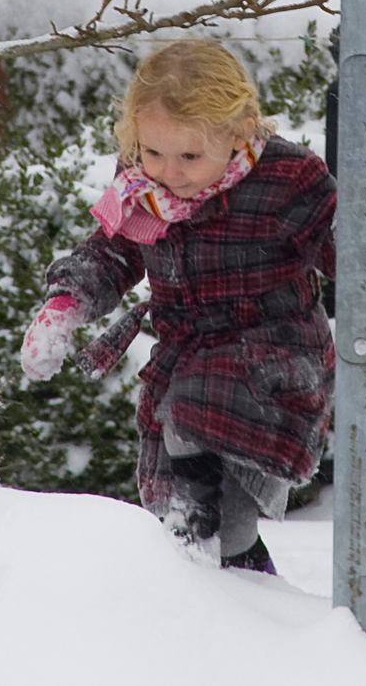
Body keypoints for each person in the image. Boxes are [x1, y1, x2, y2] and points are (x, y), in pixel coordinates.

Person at [21, 40, 336, 574]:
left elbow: (346, 249)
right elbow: (114, 249)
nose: (170, 173)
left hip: (274, 354)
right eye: (153, 153)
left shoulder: (287, 180)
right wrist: (67, 303)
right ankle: (236, 596)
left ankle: (191, 536)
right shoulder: (143, 185)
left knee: (192, 417)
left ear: (239, 132)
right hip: (186, 356)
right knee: (223, 527)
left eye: (190, 156)